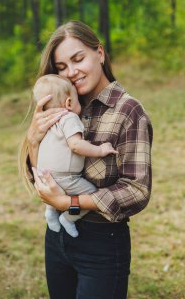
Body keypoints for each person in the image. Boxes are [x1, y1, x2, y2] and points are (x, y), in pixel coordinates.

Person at [18, 20, 153, 299]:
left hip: (101, 242)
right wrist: (33, 140)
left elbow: (136, 191)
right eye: (62, 67)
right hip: (55, 237)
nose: (71, 73)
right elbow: (41, 173)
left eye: (78, 59)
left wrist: (70, 203)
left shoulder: (127, 111)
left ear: (100, 54)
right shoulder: (59, 105)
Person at [32, 74, 118, 238]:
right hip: (66, 177)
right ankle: (68, 217)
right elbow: (76, 145)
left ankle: (50, 211)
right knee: (92, 196)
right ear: (69, 103)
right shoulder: (69, 117)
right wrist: (100, 150)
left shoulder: (46, 123)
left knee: (60, 193)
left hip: (45, 176)